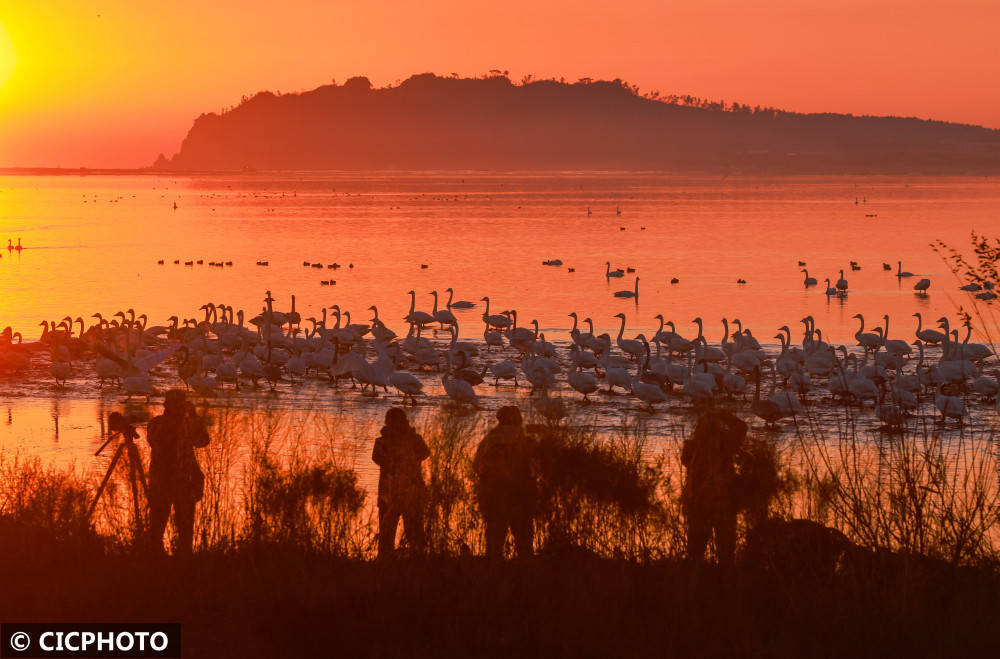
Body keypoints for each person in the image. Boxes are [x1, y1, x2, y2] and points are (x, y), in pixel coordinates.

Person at [146, 389, 210, 555]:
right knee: (168, 530)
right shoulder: (161, 424)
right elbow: (201, 440)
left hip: (172, 483)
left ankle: (165, 565)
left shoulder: (157, 423)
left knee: (173, 530)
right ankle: (168, 565)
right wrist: (193, 417)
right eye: (181, 406)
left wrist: (192, 418)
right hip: (170, 483)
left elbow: (202, 441)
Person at [681, 409, 748, 566]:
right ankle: (717, 582)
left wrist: (716, 415)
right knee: (722, 553)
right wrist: (722, 414)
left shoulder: (694, 448)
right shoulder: (725, 445)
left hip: (706, 507)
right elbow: (741, 427)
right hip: (718, 507)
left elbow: (685, 461)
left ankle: (699, 582)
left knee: (697, 552)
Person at [473, 406, 536, 559]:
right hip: (519, 497)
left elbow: (476, 466)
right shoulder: (525, 441)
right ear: (518, 420)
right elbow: (538, 468)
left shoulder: (489, 439)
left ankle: (493, 575)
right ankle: (526, 576)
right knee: (524, 541)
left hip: (492, 497)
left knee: (494, 541)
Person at [372, 407, 429, 558]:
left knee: (387, 532)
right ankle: (418, 561)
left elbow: (377, 459)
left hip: (388, 492)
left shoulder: (382, 441)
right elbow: (424, 453)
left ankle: (385, 563)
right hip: (410, 492)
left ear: (387, 422)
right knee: (414, 532)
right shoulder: (413, 439)